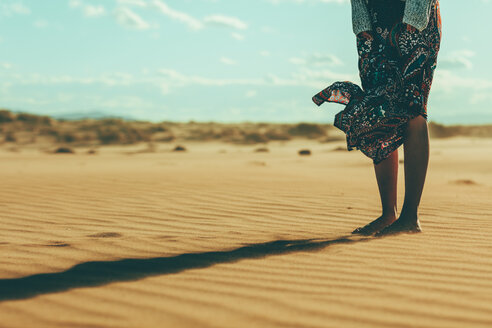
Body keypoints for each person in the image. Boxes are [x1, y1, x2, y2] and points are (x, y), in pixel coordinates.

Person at [312, 0, 442, 236]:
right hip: (374, 22)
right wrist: (362, 24)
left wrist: (415, 15)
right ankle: (388, 214)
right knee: (377, 110)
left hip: (414, 19)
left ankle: (410, 216)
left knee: (412, 106)